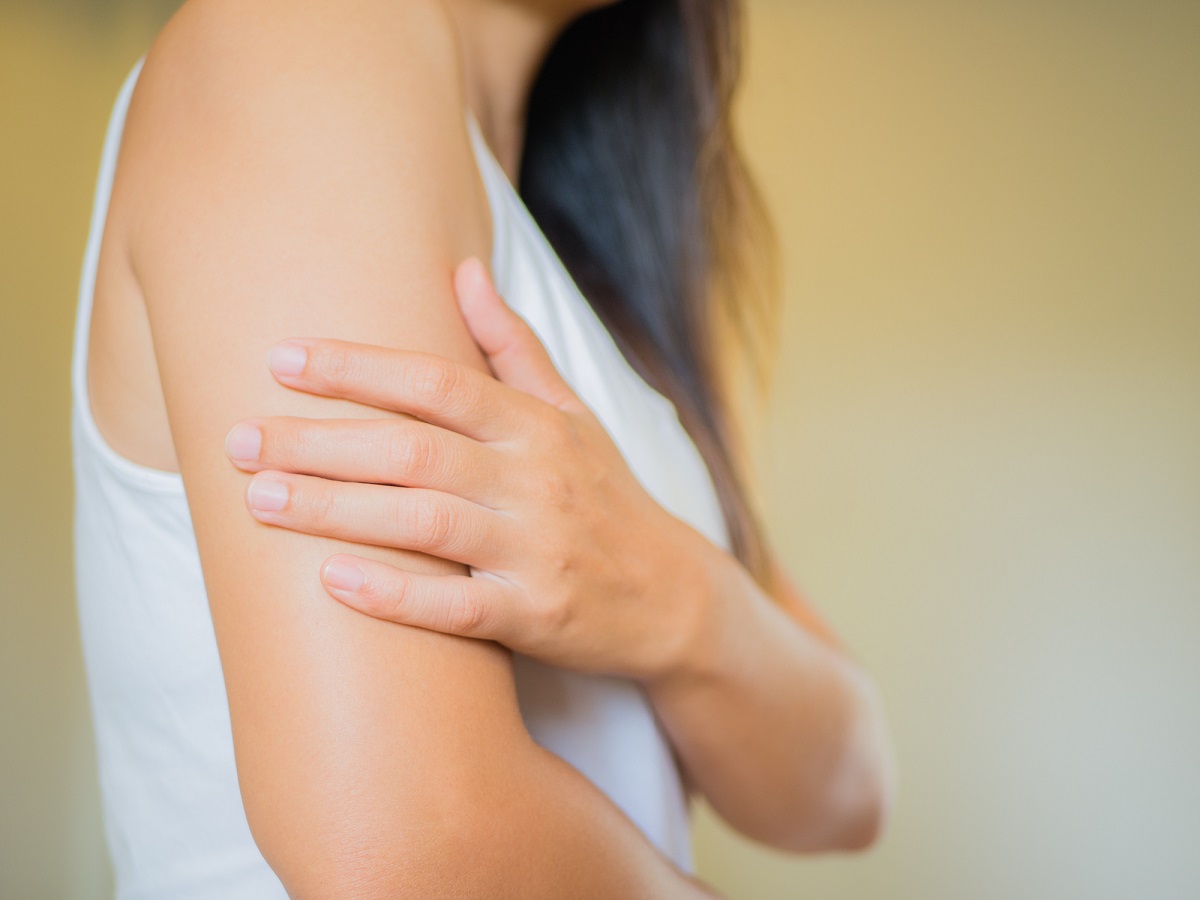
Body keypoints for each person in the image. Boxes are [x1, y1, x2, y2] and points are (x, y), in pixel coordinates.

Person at [73, 0, 895, 895]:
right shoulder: (298, 38)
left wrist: (676, 597)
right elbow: (404, 849)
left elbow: (849, 783)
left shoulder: (595, 274)